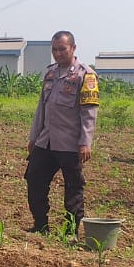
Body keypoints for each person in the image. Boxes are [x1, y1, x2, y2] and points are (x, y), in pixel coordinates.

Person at [25, 30, 98, 236]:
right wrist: (34, 137)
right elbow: (42, 108)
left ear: (73, 48)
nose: (58, 53)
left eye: (62, 49)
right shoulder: (50, 74)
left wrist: (85, 142)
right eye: (54, 49)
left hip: (70, 143)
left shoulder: (86, 75)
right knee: (34, 179)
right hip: (46, 140)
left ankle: (70, 232)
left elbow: (89, 112)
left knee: (73, 188)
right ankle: (40, 225)